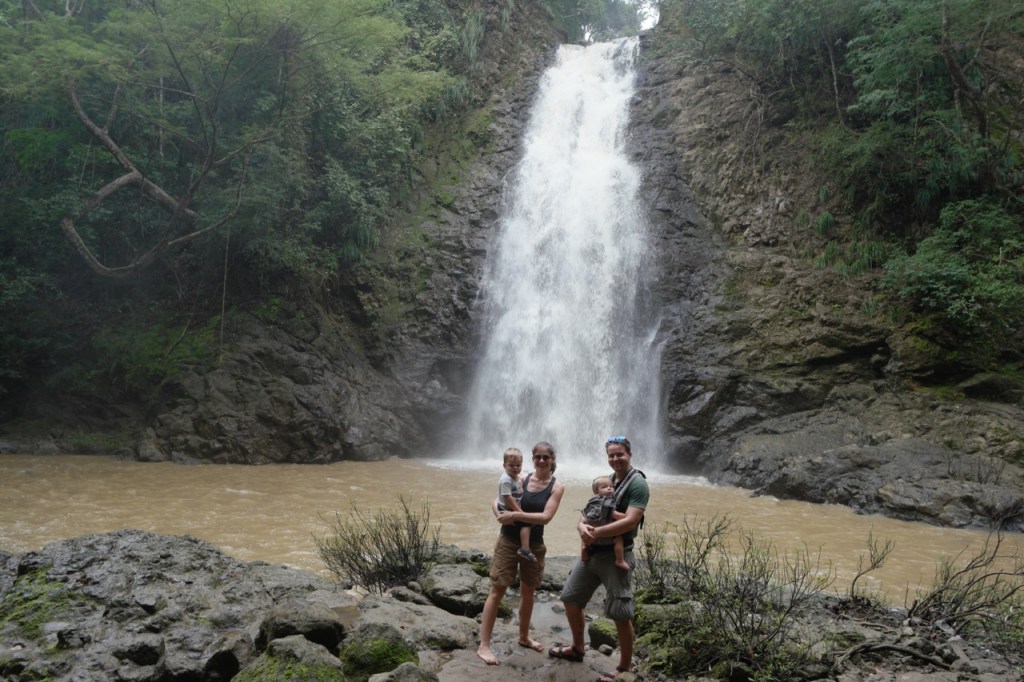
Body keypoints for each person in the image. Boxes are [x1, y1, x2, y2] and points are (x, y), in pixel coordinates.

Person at [549, 436, 649, 682]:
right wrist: (581, 527)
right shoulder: (608, 481)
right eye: (611, 455)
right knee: (570, 598)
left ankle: (624, 668)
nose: (615, 459)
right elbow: (589, 510)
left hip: (616, 555)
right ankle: (577, 648)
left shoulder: (638, 484)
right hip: (592, 553)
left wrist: (595, 533)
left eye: (620, 454)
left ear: (629, 454)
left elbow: (631, 521)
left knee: (620, 612)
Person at [476, 441, 565, 666]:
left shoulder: (556, 486)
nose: (542, 461)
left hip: (534, 543)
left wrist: (516, 515)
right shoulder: (520, 477)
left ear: (553, 459)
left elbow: (545, 518)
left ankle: (524, 637)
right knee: (497, 589)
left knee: (528, 591)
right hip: (508, 540)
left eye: (546, 457)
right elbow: (496, 500)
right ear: (532, 459)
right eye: (538, 457)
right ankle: (484, 645)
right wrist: (499, 514)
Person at [495, 447, 536, 562]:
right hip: (506, 508)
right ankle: (524, 549)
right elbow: (508, 498)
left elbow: (519, 481)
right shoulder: (506, 479)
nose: (515, 468)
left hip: (511, 507)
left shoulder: (515, 477)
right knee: (526, 522)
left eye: (518, 465)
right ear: (504, 466)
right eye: (511, 465)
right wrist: (519, 512)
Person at [580, 475, 629, 571]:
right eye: (604, 487)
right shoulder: (607, 503)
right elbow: (615, 515)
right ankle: (620, 560)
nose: (609, 488)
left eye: (611, 486)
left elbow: (584, 516)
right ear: (596, 491)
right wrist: (626, 516)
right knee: (619, 539)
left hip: (591, 536)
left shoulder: (592, 501)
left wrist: (582, 524)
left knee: (584, 535)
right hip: (606, 536)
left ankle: (584, 549)